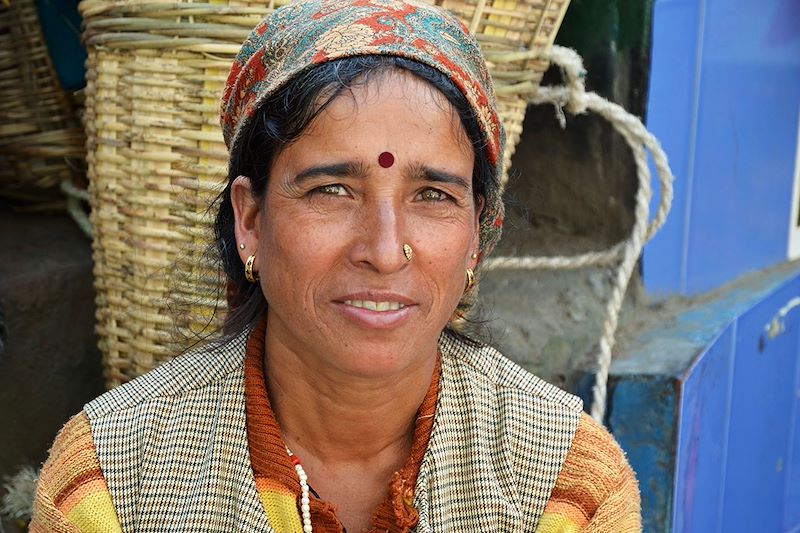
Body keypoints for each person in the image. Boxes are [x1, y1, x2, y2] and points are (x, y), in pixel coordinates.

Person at [31, 1, 641, 531]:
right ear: (249, 220)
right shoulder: (111, 481)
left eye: (433, 196)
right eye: (331, 190)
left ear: (478, 235)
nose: (382, 249)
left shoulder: (566, 484)